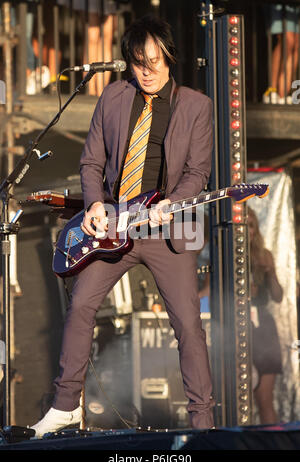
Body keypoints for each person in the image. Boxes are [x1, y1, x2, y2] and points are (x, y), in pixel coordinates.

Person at [31, 14, 214, 437]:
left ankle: (203, 423)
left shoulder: (196, 106)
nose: (148, 71)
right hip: (117, 225)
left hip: (168, 230)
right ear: (128, 62)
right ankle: (64, 407)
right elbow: (91, 162)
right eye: (138, 62)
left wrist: (173, 201)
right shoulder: (113, 96)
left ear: (170, 58)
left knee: (187, 324)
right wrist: (94, 204)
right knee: (80, 305)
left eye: (155, 61)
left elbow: (198, 172)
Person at [248, 207, 283, 424]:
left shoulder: (264, 255)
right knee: (234, 398)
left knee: (264, 398)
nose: (247, 231)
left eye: (251, 226)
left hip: (263, 327)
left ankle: (272, 443)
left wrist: (269, 273)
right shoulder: (224, 252)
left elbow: (278, 296)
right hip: (235, 326)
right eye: (243, 225)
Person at [263, 3, 300, 104]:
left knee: (296, 44)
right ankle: (271, 90)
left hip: (294, 8)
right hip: (279, 5)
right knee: (287, 40)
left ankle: (283, 93)